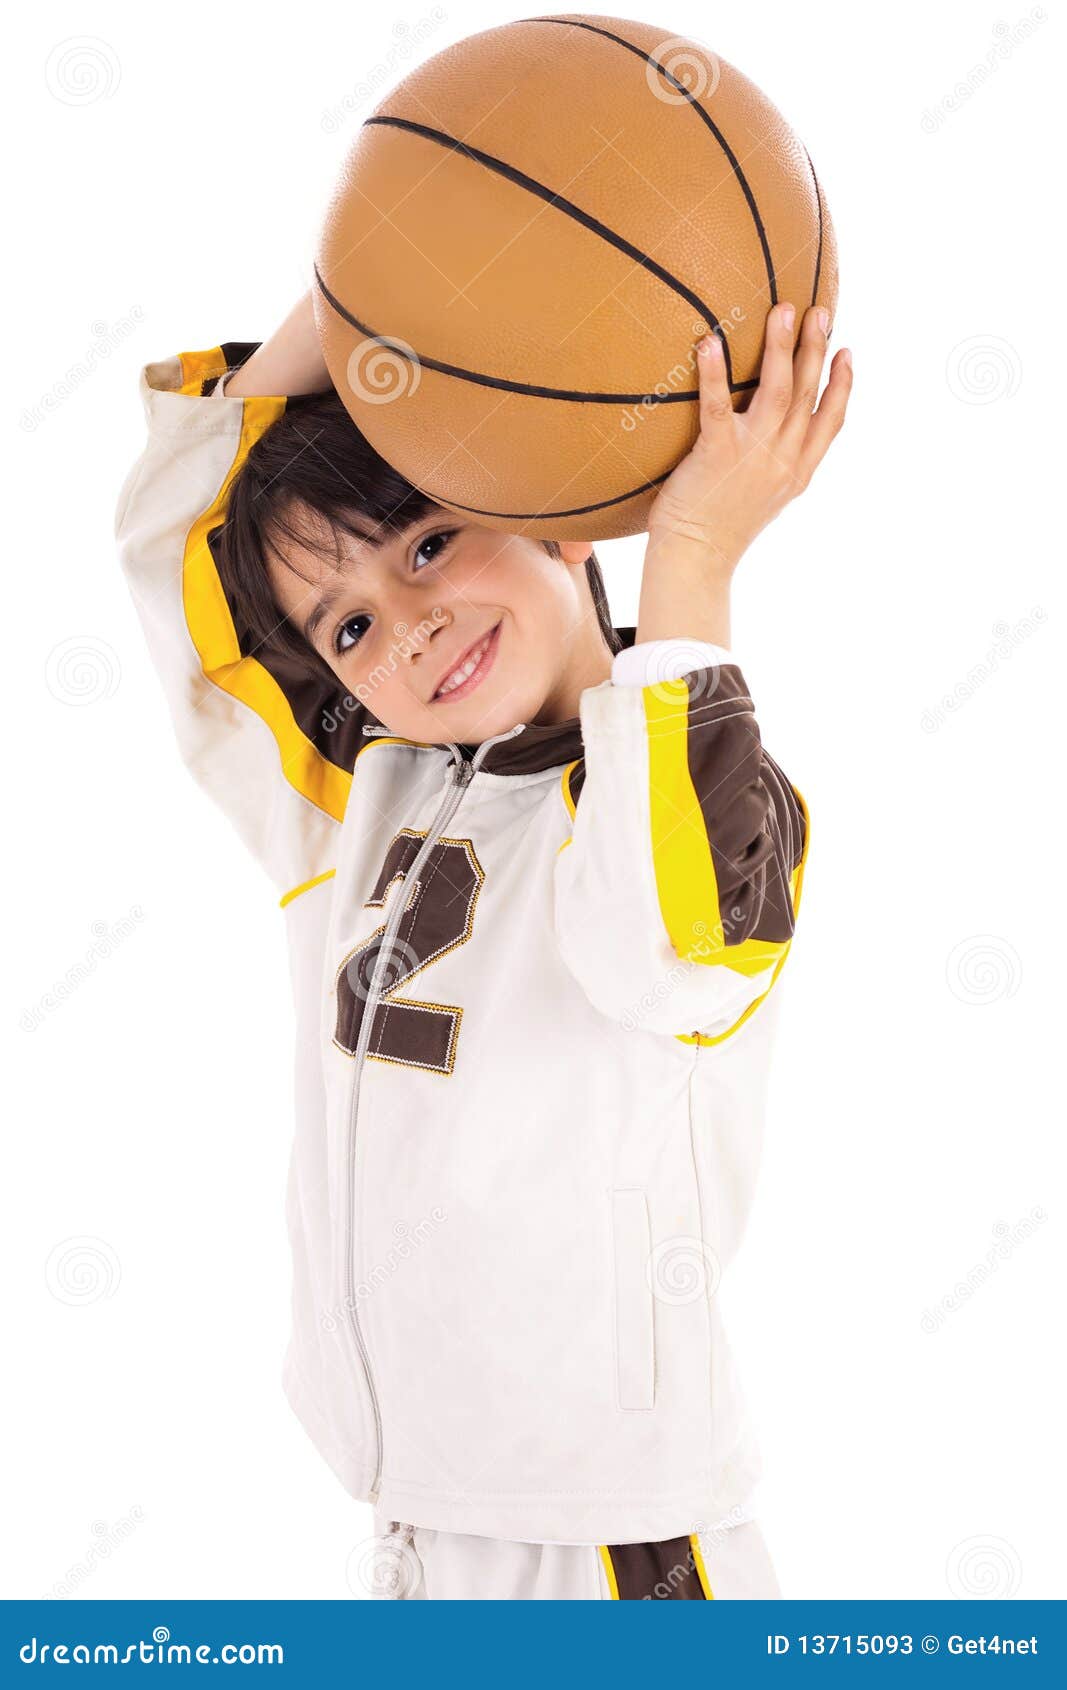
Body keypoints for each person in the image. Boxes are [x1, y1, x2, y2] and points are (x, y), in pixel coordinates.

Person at [114, 290, 851, 1598]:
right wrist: (373, 275)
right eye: (347, 629)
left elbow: (669, 939)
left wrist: (691, 549)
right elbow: (190, 538)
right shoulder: (348, 806)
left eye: (428, 543)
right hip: (416, 1526)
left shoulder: (707, 802)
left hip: (609, 1547)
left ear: (559, 517)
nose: (404, 623)